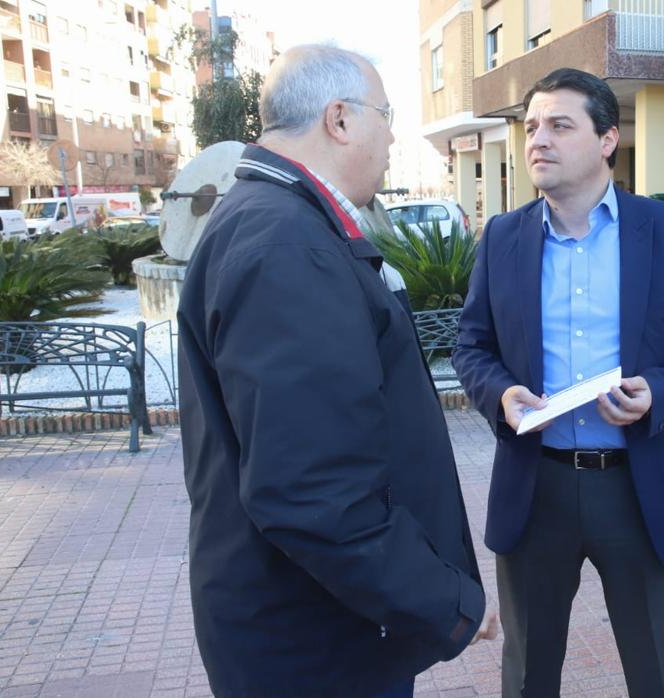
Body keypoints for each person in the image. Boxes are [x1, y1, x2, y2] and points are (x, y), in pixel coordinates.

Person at [177, 44, 496, 698]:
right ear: (340, 119)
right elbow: (313, 495)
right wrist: (447, 603)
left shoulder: (275, 220)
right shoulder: (288, 244)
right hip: (314, 648)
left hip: (311, 628)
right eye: (386, 115)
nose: (392, 135)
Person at [453, 68, 664, 697]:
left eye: (560, 125)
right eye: (532, 126)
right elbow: (471, 346)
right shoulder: (502, 238)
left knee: (662, 674)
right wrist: (501, 394)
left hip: (638, 489)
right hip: (538, 485)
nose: (539, 140)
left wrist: (660, 393)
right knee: (529, 674)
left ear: (608, 139)